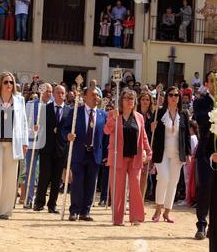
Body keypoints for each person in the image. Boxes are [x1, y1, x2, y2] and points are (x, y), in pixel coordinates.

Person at [0, 72, 29, 219]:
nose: (9, 85)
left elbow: (23, 122)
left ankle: (5, 210)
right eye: (6, 82)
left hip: (13, 144)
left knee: (10, 178)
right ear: (0, 84)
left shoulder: (20, 100)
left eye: (11, 82)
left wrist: (25, 142)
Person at [104, 89, 152, 226]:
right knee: (118, 188)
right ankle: (117, 219)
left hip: (135, 157)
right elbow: (106, 130)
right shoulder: (113, 114)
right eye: (126, 98)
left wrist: (148, 151)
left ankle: (135, 217)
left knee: (135, 187)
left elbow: (143, 137)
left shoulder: (139, 117)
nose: (129, 101)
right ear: (121, 100)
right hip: (118, 157)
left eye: (132, 98)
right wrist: (113, 119)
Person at [64, 87, 107, 221]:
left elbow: (106, 136)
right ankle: (74, 210)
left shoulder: (102, 114)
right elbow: (65, 128)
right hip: (79, 152)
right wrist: (68, 135)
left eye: (98, 96)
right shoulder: (76, 112)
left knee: (91, 183)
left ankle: (85, 211)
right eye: (93, 95)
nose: (96, 98)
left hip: (95, 154)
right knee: (77, 181)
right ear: (85, 97)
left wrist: (105, 153)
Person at [151, 87, 191, 223]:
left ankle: (167, 212)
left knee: (173, 182)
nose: (174, 97)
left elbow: (186, 136)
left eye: (176, 95)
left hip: (177, 154)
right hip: (161, 152)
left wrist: (189, 153)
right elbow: (151, 134)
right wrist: (152, 128)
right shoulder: (159, 112)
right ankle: (158, 208)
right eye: (171, 95)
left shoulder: (184, 114)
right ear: (167, 97)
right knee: (164, 177)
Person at [33, 85, 71, 214]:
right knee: (44, 176)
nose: (60, 95)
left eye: (62, 93)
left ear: (65, 95)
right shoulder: (45, 108)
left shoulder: (69, 110)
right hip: (46, 147)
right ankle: (39, 203)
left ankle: (52, 205)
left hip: (61, 148)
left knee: (56, 179)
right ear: (54, 94)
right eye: (58, 92)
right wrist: (36, 128)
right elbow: (40, 125)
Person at [22, 83, 53, 209]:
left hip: (47, 144)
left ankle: (39, 199)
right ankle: (29, 198)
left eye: (50, 91)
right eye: (46, 91)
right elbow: (26, 123)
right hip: (32, 141)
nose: (48, 94)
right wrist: (31, 129)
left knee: (44, 173)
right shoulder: (30, 104)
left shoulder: (52, 106)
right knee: (30, 171)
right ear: (41, 91)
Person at [193, 71, 216, 240]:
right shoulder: (201, 102)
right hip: (206, 152)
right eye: (213, 81)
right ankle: (201, 225)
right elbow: (202, 121)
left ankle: (214, 229)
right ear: (207, 83)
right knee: (205, 188)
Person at [137, 91, 155, 199]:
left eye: (147, 99)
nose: (145, 101)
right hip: (135, 147)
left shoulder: (152, 116)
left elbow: (154, 134)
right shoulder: (134, 113)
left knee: (144, 175)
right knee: (133, 175)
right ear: (139, 101)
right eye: (143, 99)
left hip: (147, 148)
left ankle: (140, 200)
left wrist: (153, 130)